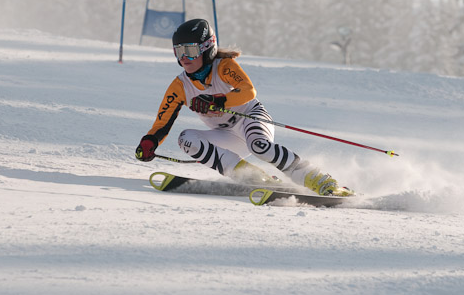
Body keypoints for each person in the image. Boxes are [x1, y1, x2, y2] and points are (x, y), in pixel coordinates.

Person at [135, 18, 351, 196]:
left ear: (206, 48)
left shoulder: (224, 67)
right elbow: (163, 121)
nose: (184, 58)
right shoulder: (180, 85)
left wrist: (218, 101)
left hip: (251, 118)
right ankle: (252, 177)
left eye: (190, 50)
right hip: (226, 135)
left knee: (260, 146)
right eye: (179, 52)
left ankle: (320, 180)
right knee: (186, 138)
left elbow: (248, 90)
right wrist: (149, 141)